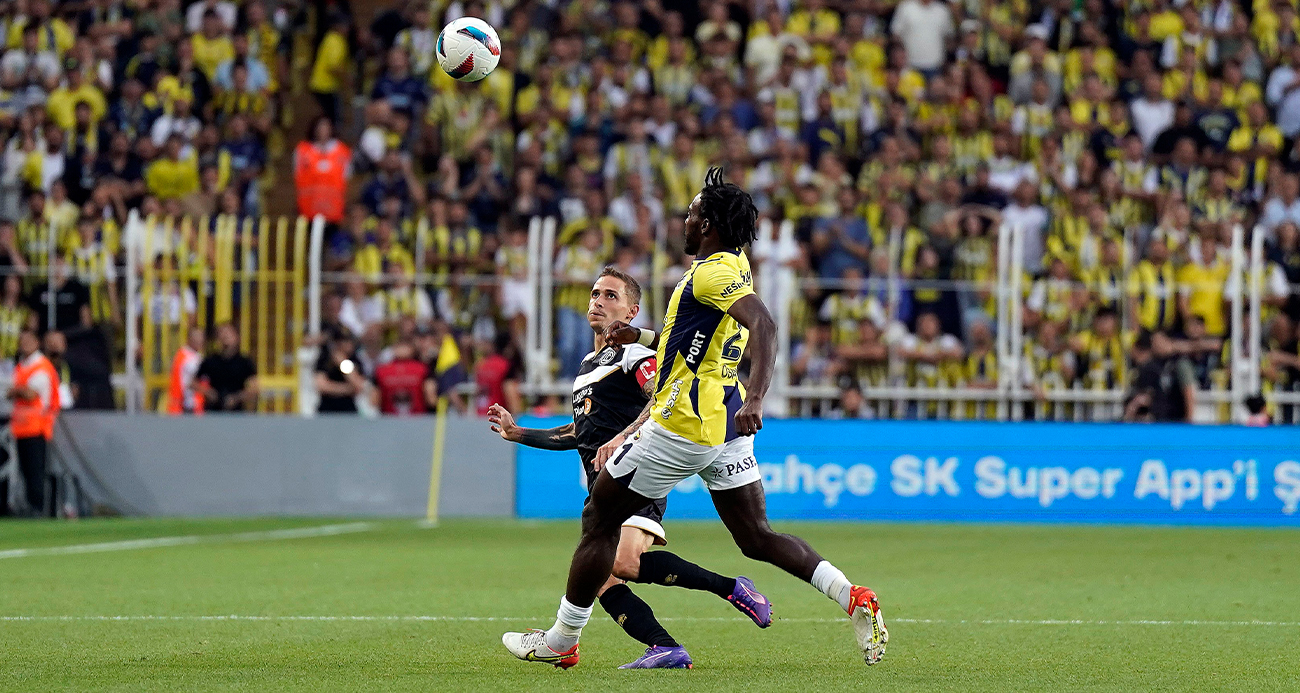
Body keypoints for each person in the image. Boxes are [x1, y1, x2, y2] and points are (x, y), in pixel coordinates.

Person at [502, 169, 887, 669]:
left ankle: (562, 639)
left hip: (685, 422)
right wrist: (639, 337)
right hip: (723, 426)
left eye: (690, 214)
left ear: (707, 225)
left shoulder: (711, 272)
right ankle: (851, 595)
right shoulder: (734, 266)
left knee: (599, 520)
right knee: (757, 537)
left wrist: (757, 397)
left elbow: (764, 324)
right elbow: (692, 344)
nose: (683, 221)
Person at [489, 266, 770, 670]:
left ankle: (731, 589)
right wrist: (520, 434)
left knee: (619, 563)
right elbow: (579, 432)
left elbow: (659, 399)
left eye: (611, 296)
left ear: (632, 311)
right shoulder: (589, 363)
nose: (599, 301)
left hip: (638, 474)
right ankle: (664, 646)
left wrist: (627, 438)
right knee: (603, 575)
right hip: (604, 485)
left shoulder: (635, 354)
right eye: (595, 294)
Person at [7, 328, 59, 516]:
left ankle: (38, 509)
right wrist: (18, 390)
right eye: (22, 340)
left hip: (37, 427)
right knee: (24, 472)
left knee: (36, 472)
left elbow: (30, 394)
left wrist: (16, 390)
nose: (24, 344)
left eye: (28, 340)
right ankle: (29, 507)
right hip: (20, 428)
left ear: (37, 343)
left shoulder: (41, 365)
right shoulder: (22, 366)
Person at [196, 322, 257, 412]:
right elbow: (193, 382)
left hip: (236, 413)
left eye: (228, 333)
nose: (225, 336)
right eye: (221, 333)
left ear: (237, 337)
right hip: (213, 411)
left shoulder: (244, 362)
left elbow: (254, 388)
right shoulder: (210, 361)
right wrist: (209, 393)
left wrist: (236, 398)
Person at [167, 326, 206, 414]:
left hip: (195, 404)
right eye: (196, 337)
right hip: (184, 404)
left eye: (201, 337)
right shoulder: (183, 356)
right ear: (189, 338)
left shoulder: (197, 356)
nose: (200, 340)